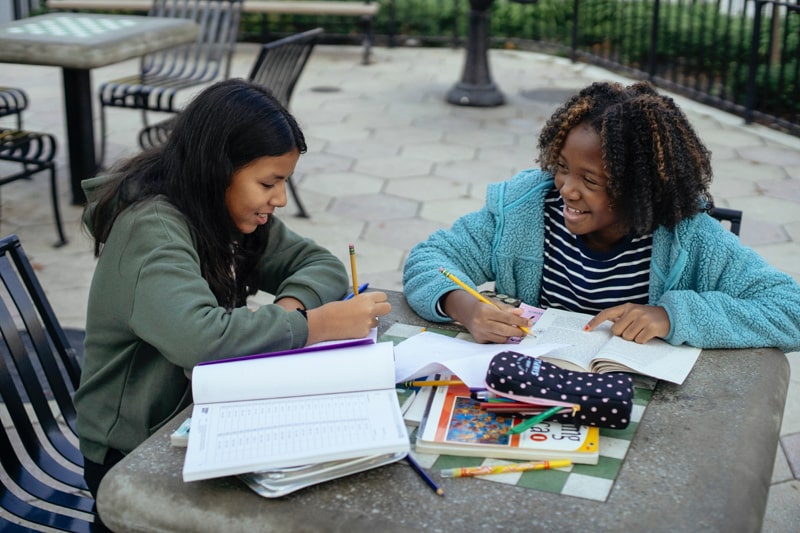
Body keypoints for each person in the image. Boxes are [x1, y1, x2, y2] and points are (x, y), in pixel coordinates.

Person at [75, 78, 391, 499]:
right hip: (131, 452)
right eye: (268, 183)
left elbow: (321, 264)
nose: (279, 199)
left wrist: (292, 313)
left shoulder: (222, 209)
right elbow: (201, 340)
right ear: (218, 169)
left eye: (283, 183)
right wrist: (314, 325)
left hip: (200, 415)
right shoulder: (152, 229)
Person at [403, 81, 800, 351]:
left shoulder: (689, 238)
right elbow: (428, 259)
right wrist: (465, 306)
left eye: (590, 180)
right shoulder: (523, 211)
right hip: (534, 382)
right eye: (561, 166)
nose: (566, 189)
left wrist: (671, 316)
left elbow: (790, 309)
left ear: (641, 189)